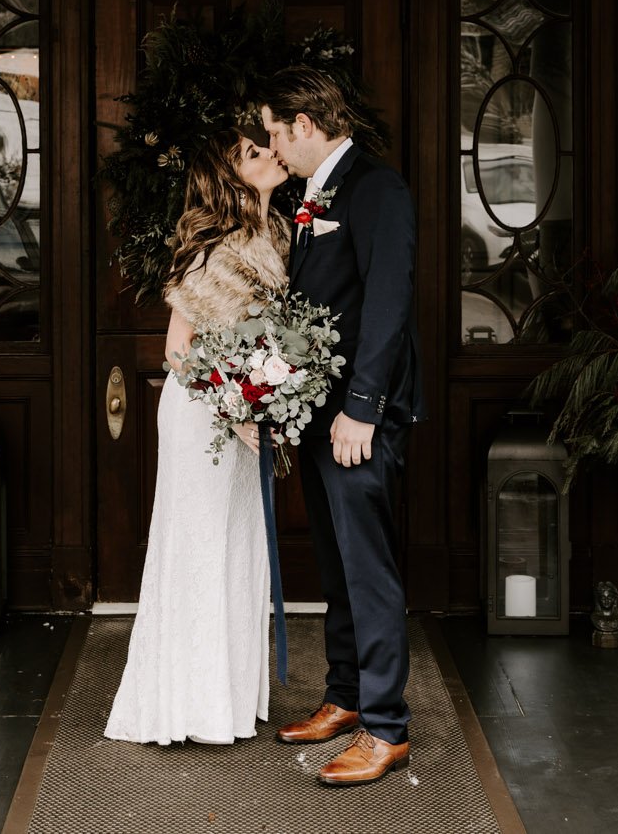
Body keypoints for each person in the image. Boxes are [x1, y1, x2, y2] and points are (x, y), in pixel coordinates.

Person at [103, 123, 292, 745]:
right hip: (204, 416)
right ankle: (186, 705)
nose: (270, 154)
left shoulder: (277, 234)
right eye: (253, 153)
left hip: (246, 415)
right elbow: (178, 351)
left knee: (241, 546)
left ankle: (227, 702)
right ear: (231, 178)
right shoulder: (212, 249)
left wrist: (271, 397)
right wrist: (236, 410)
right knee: (201, 547)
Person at [259, 67, 422, 788]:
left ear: (303, 124)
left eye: (274, 133)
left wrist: (361, 406)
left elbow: (388, 301)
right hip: (320, 414)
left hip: (359, 416)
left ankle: (386, 728)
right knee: (336, 562)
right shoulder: (313, 194)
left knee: (368, 566)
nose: (272, 147)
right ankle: (347, 693)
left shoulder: (376, 188)